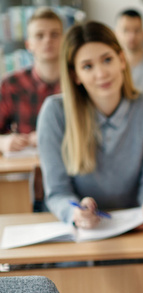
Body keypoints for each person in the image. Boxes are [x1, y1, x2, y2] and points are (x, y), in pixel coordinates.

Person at [37, 21, 143, 293]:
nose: (101, 73)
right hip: (86, 241)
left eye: (107, 59)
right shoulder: (55, 112)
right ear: (75, 74)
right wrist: (75, 212)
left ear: (122, 59)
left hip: (138, 238)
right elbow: (57, 192)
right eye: (88, 65)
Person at [0, 8, 63, 211]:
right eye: (40, 35)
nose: (48, 40)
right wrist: (3, 142)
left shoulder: (79, 80)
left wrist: (48, 137)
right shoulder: (11, 84)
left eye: (55, 34)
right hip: (24, 183)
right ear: (29, 45)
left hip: (71, 180)